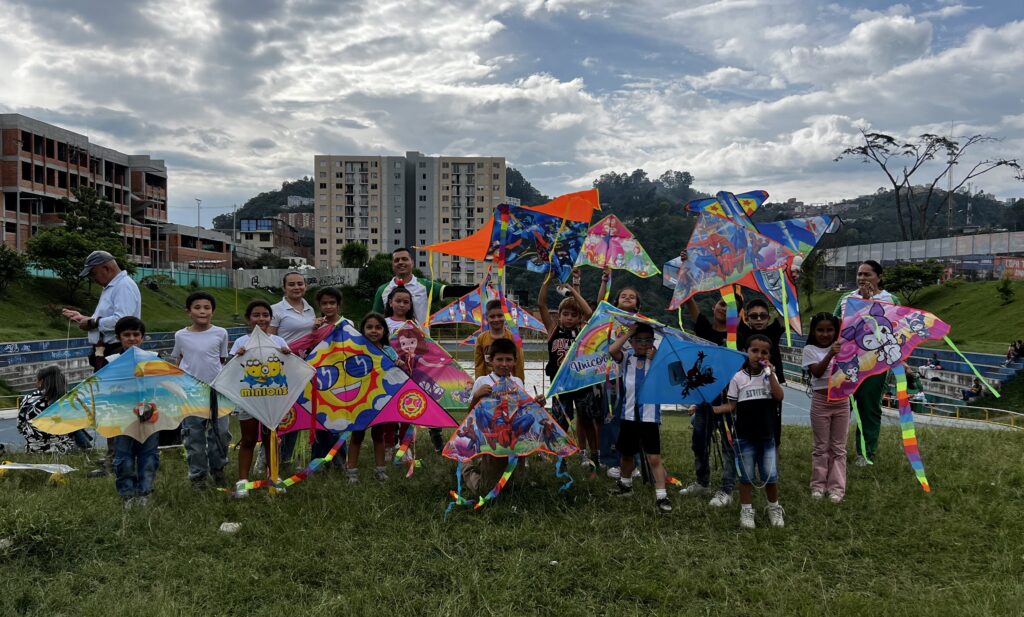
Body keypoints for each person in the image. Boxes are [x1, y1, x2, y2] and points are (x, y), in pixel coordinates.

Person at [62, 250, 141, 477]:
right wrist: (85, 319)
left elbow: (123, 321)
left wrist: (92, 322)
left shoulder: (123, 286)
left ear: (106, 268)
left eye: (95, 273)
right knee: (110, 408)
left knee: (116, 408)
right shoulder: (113, 287)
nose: (94, 279)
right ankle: (114, 457)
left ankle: (118, 459)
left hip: (116, 351)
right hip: (105, 351)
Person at [713, 334, 785, 529]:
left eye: (764, 352)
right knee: (745, 477)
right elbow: (731, 405)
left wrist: (770, 375)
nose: (759, 355)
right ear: (746, 352)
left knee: (770, 476)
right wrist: (714, 410)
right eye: (754, 351)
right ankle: (746, 510)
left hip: (766, 436)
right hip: (743, 437)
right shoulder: (737, 378)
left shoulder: (770, 376)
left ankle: (774, 507)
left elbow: (779, 396)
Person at [834, 260, 899, 466]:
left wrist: (871, 303)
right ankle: (835, 450)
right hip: (848, 361)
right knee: (841, 406)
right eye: (859, 274)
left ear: (879, 278)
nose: (862, 278)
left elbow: (894, 330)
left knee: (868, 407)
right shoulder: (846, 299)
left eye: (867, 274)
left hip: (875, 363)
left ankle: (865, 452)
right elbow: (835, 325)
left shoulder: (890, 299)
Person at [678, 283, 737, 508]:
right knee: (699, 440)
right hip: (706, 395)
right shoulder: (703, 328)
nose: (724, 309)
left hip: (730, 397)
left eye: (730, 306)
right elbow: (689, 299)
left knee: (729, 443)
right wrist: (686, 270)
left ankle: (726, 489)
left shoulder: (735, 333)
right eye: (722, 304)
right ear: (714, 307)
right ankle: (702, 482)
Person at [464, 338, 545, 494]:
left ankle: (509, 466)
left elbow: (523, 411)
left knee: (517, 487)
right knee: (486, 490)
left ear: (515, 361)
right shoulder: (483, 381)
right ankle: (466, 466)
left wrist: (537, 404)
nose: (504, 363)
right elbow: (470, 416)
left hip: (514, 439)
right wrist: (476, 397)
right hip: (493, 435)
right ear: (490, 361)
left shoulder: (517, 381)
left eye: (508, 359)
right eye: (499, 359)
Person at [606, 323, 672, 513]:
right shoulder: (627, 358)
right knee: (627, 454)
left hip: (650, 418)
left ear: (653, 342)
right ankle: (625, 486)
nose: (643, 344)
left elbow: (670, 379)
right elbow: (612, 349)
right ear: (633, 342)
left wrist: (658, 358)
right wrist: (629, 333)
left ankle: (662, 496)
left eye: (648, 340)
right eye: (639, 340)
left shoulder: (659, 360)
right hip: (628, 416)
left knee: (653, 457)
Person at [229, 300, 291, 498]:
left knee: (271, 439)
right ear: (248, 319)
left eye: (265, 315)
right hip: (249, 399)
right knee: (247, 439)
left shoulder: (279, 342)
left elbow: (288, 368)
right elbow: (230, 371)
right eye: (256, 315)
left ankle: (274, 476)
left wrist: (287, 355)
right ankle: (243, 481)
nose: (261, 318)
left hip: (272, 401)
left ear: (271, 318)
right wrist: (236, 356)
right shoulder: (241, 342)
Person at [170, 291, 230, 489]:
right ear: (189, 311)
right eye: (197, 307)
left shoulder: (221, 333)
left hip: (217, 391)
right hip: (191, 393)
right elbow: (179, 361)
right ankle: (198, 476)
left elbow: (220, 361)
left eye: (207, 307)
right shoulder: (181, 335)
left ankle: (218, 469)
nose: (202, 311)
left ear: (213, 311)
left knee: (220, 433)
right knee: (193, 435)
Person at [539, 271, 597, 470]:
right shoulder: (553, 330)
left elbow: (589, 313)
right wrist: (547, 280)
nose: (569, 318)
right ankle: (560, 458)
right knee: (561, 423)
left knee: (587, 420)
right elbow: (541, 304)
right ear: (559, 315)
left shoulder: (582, 331)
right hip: (561, 384)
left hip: (581, 384)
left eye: (573, 315)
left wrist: (572, 288)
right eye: (565, 314)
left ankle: (593, 456)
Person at [106, 316, 162, 508]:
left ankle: (145, 492)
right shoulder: (112, 362)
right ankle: (127, 494)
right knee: (123, 457)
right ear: (118, 337)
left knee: (148, 456)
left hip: (150, 417)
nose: (131, 338)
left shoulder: (153, 359)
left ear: (142, 337)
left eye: (136, 334)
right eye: (126, 335)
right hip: (123, 418)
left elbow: (163, 385)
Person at [596, 274, 645, 479]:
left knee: (636, 420)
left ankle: (635, 462)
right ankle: (612, 461)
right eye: (623, 296)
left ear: (637, 304)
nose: (627, 298)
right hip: (612, 378)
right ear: (615, 301)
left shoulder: (642, 323)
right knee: (611, 417)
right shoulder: (609, 318)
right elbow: (599, 304)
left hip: (635, 377)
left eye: (631, 296)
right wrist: (604, 281)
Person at [268, 271, 316, 468]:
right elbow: (269, 339)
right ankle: (269, 457)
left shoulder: (310, 309)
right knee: (281, 413)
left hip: (303, 368)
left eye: (300, 284)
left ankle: (287, 457)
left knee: (298, 411)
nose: (297, 287)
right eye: (292, 284)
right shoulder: (276, 310)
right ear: (284, 287)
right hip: (282, 368)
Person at [346, 313, 401, 483]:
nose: (373, 330)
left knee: (379, 435)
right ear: (362, 330)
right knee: (357, 435)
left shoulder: (389, 351)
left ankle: (380, 470)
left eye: (378, 327)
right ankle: (352, 472)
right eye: (369, 327)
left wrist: (399, 365)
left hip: (381, 401)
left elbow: (395, 375)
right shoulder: (356, 350)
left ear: (384, 331)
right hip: (360, 401)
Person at [801, 312, 849, 503]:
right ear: (813, 331)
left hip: (842, 402)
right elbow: (818, 372)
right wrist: (831, 353)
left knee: (839, 447)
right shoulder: (810, 350)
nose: (825, 334)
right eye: (820, 330)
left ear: (836, 331)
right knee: (821, 447)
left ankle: (837, 488)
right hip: (820, 402)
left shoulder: (843, 347)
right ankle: (818, 486)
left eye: (830, 330)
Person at [370, 247, 476, 324]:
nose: (400, 262)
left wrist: (478, 287)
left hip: (421, 344)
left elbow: (451, 291)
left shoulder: (425, 285)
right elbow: (376, 319)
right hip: (391, 346)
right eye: (396, 260)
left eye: (404, 259)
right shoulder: (383, 290)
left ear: (412, 263)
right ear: (393, 266)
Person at [737, 298, 786, 447]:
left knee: (773, 423)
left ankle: (774, 460)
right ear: (746, 318)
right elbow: (731, 310)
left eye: (763, 316)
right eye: (753, 316)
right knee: (747, 421)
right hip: (747, 384)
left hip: (771, 383)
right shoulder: (741, 331)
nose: (758, 319)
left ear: (768, 318)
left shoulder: (774, 330)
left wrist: (789, 280)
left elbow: (786, 308)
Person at [17, 366, 76, 454]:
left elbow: (20, 426)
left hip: (35, 450)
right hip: (64, 451)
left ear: (41, 382)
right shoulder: (70, 400)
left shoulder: (29, 399)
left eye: (36, 380)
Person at [474, 299, 525, 381]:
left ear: (505, 316)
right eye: (492, 316)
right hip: (489, 385)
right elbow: (479, 366)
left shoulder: (514, 338)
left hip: (510, 384)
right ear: (487, 318)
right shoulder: (481, 339)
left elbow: (519, 365)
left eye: (500, 315)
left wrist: (520, 385)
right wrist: (480, 384)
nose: (496, 319)